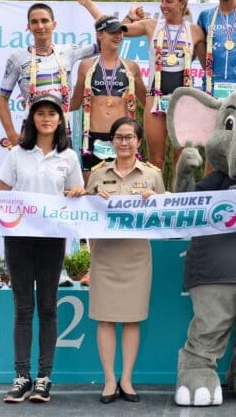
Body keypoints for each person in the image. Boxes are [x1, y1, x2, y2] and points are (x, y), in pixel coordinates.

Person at [0, 93, 86, 404]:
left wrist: (77, 191)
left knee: (48, 307)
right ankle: (22, 376)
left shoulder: (69, 157)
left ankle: (44, 378)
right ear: (32, 119)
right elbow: (0, 195)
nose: (46, 118)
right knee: (23, 308)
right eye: (40, 113)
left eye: (52, 113)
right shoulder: (17, 154)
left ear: (60, 120)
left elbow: (77, 192)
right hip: (19, 239)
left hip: (52, 238)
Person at [75, 0, 206, 172]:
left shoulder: (195, 32)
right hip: (156, 98)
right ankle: (154, 197)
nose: (163, 5)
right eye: (161, 0)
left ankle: (178, 199)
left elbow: (207, 65)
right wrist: (89, 4)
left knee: (182, 157)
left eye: (168, 1)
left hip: (183, 100)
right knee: (156, 157)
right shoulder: (151, 25)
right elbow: (114, 27)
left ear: (182, 3)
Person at [85, 117, 165, 403]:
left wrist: (155, 199)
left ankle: (127, 379)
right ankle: (108, 380)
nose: (123, 142)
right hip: (105, 256)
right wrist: (93, 196)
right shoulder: (97, 174)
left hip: (136, 256)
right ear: (111, 141)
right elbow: (84, 214)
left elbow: (165, 217)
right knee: (105, 319)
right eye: (118, 137)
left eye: (129, 137)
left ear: (138, 142)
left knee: (132, 320)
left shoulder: (152, 174)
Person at [0, 1, 98, 148]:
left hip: (62, 127)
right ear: (28, 27)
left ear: (54, 24)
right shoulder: (17, 57)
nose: (40, 26)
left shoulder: (68, 51)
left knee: (62, 170)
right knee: (30, 171)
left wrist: (89, 5)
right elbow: (2, 99)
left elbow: (107, 41)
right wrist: (11, 134)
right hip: (31, 129)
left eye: (44, 21)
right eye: (34, 22)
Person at [70, 15, 146, 182]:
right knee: (92, 190)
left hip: (123, 137)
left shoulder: (131, 67)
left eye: (120, 32)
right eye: (113, 32)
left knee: (122, 188)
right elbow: (74, 104)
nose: (118, 36)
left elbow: (147, 102)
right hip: (92, 139)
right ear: (100, 34)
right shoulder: (86, 65)